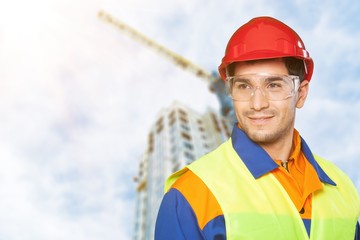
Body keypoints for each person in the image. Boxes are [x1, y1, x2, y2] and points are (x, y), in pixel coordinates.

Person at [154, 16, 360, 240]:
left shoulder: (342, 189)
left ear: (301, 94)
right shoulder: (192, 194)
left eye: (273, 85)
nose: (257, 103)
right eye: (244, 86)